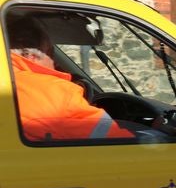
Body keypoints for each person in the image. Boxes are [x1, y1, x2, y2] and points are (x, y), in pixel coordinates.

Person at [7, 13, 134, 141]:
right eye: (51, 53)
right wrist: (148, 136)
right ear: (32, 56)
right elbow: (118, 142)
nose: (55, 63)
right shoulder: (58, 93)